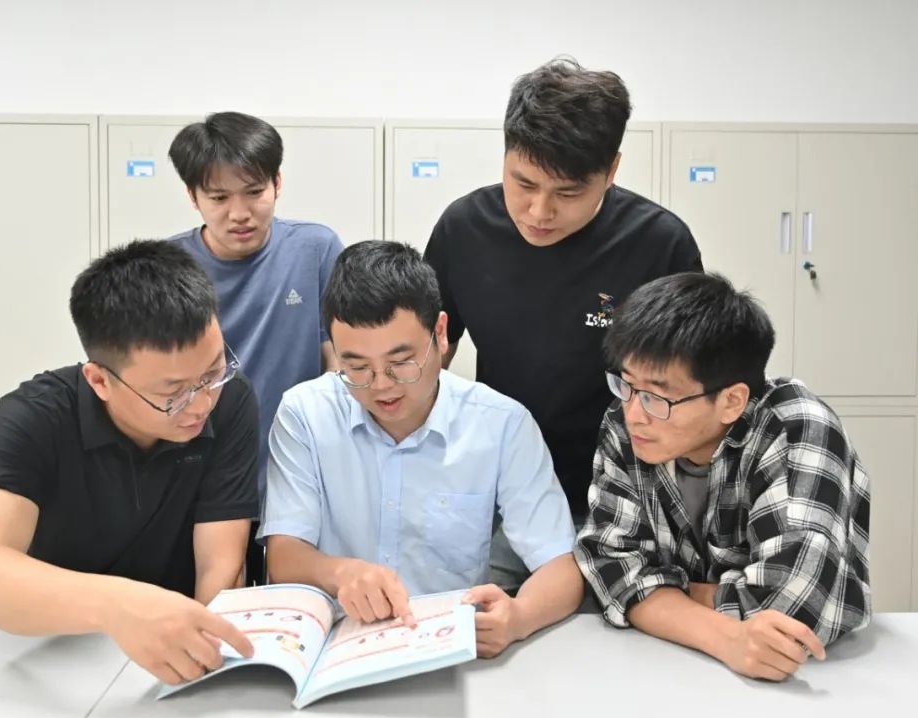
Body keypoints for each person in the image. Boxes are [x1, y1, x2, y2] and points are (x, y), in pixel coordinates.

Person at [423, 58, 703, 588]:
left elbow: (690, 392)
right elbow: (430, 356)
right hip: (502, 497)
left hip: (626, 502)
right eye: (523, 183)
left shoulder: (658, 245)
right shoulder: (464, 230)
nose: (538, 211)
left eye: (568, 193)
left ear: (611, 170)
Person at [0, 240, 259, 685]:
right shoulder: (36, 417)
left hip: (171, 655)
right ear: (99, 380)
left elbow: (220, 566)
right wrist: (118, 606)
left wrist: (207, 661)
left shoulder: (229, 401)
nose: (201, 404)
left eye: (213, 372)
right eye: (172, 394)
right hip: (53, 649)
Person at [259, 241, 583, 659]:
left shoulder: (501, 424)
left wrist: (518, 617)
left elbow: (561, 568)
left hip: (448, 650)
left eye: (401, 362)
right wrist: (340, 572)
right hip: (336, 649)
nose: (381, 385)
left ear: (441, 333)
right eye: (356, 367)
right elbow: (284, 555)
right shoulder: (305, 413)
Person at [575, 271, 871, 681]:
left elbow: (793, 605)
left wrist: (665, 593)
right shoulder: (625, 424)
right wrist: (727, 638)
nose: (634, 413)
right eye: (626, 384)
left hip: (813, 678)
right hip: (660, 666)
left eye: (657, 396)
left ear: (731, 401)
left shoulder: (797, 426)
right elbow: (611, 568)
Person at [168, 111, 344, 585]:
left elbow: (338, 362)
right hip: (201, 476)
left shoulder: (315, 249)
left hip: (293, 475)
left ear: (277, 183)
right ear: (192, 197)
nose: (240, 213)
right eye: (219, 198)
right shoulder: (170, 266)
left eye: (254, 192)